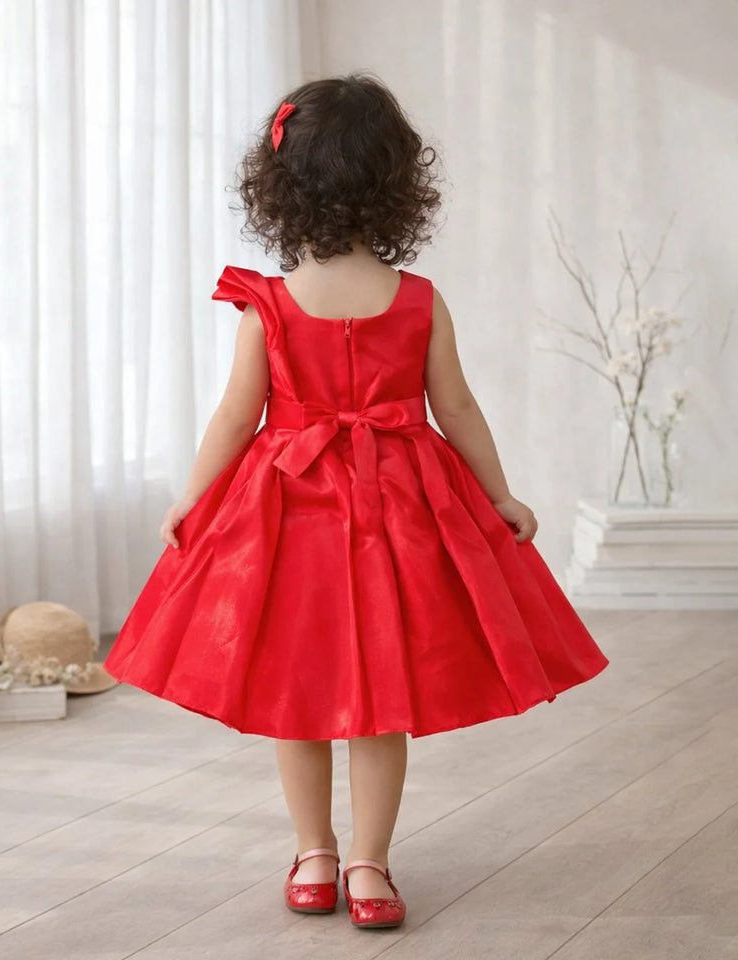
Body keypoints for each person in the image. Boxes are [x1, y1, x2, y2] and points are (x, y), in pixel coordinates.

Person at [103, 73, 609, 930]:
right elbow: (457, 412)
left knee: (298, 697)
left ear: (282, 187)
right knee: (381, 700)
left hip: (289, 512)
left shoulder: (274, 304)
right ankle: (361, 861)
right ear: (396, 185)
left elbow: (238, 418)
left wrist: (194, 498)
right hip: (395, 518)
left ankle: (322, 853)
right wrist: (499, 493)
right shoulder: (414, 300)